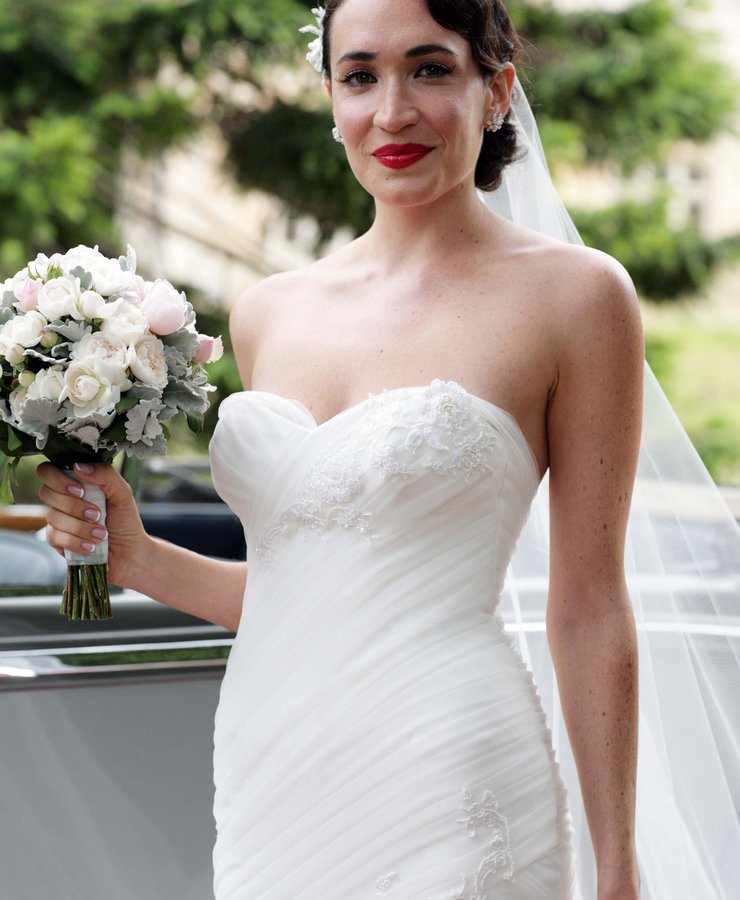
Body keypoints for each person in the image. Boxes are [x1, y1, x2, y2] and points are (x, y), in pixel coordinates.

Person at [37, 1, 739, 898]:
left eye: (432, 68)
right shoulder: (270, 309)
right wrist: (134, 557)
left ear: (497, 92)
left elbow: (589, 611)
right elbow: (316, 596)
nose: (393, 110)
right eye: (361, 75)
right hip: (270, 783)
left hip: (452, 778)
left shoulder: (578, 298)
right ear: (331, 98)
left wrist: (619, 870)